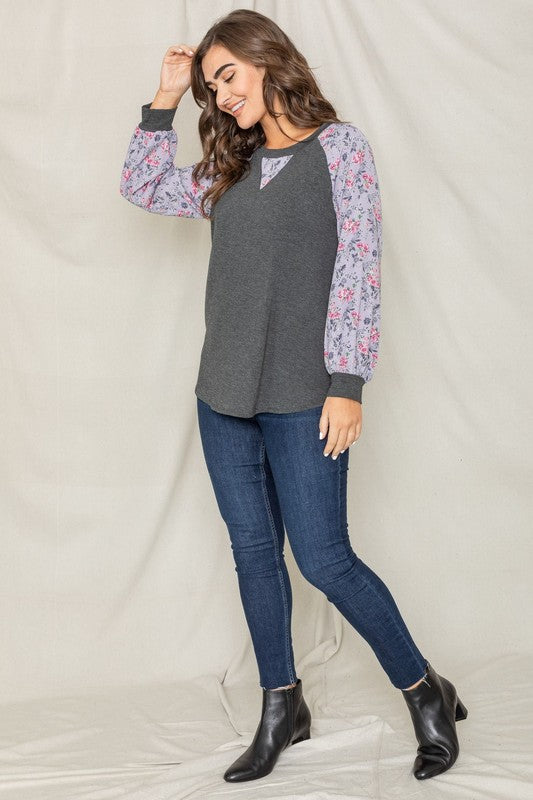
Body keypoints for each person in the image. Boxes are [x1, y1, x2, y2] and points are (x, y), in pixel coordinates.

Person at [120, 7, 468, 784]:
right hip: (222, 396)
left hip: (304, 393)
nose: (222, 96)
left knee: (324, 559)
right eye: (212, 85)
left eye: (227, 77)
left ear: (267, 60)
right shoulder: (229, 165)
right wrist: (167, 95)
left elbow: (359, 269)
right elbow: (141, 186)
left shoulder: (338, 149)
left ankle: (423, 691)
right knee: (253, 557)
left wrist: (346, 386)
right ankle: (283, 705)